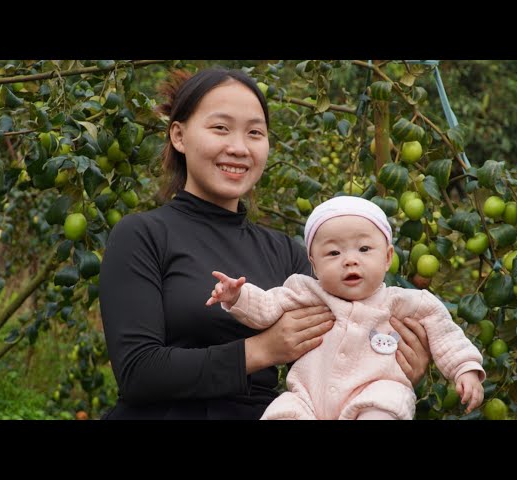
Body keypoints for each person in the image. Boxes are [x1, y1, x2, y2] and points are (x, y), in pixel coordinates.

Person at [98, 67, 432, 420]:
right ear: (179, 136)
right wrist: (261, 350)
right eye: (220, 128)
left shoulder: (289, 253)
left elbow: (342, 349)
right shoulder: (142, 235)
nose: (239, 148)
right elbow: (138, 372)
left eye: (254, 133)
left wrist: (394, 361)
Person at [207, 195, 485, 420]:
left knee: (384, 408)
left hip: (375, 394)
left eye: (364, 249)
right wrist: (237, 297)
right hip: (307, 400)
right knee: (282, 412)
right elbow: (266, 307)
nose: (350, 260)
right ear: (314, 265)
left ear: (388, 257)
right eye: (334, 253)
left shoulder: (405, 302)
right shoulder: (304, 291)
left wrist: (465, 369)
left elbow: (445, 333)